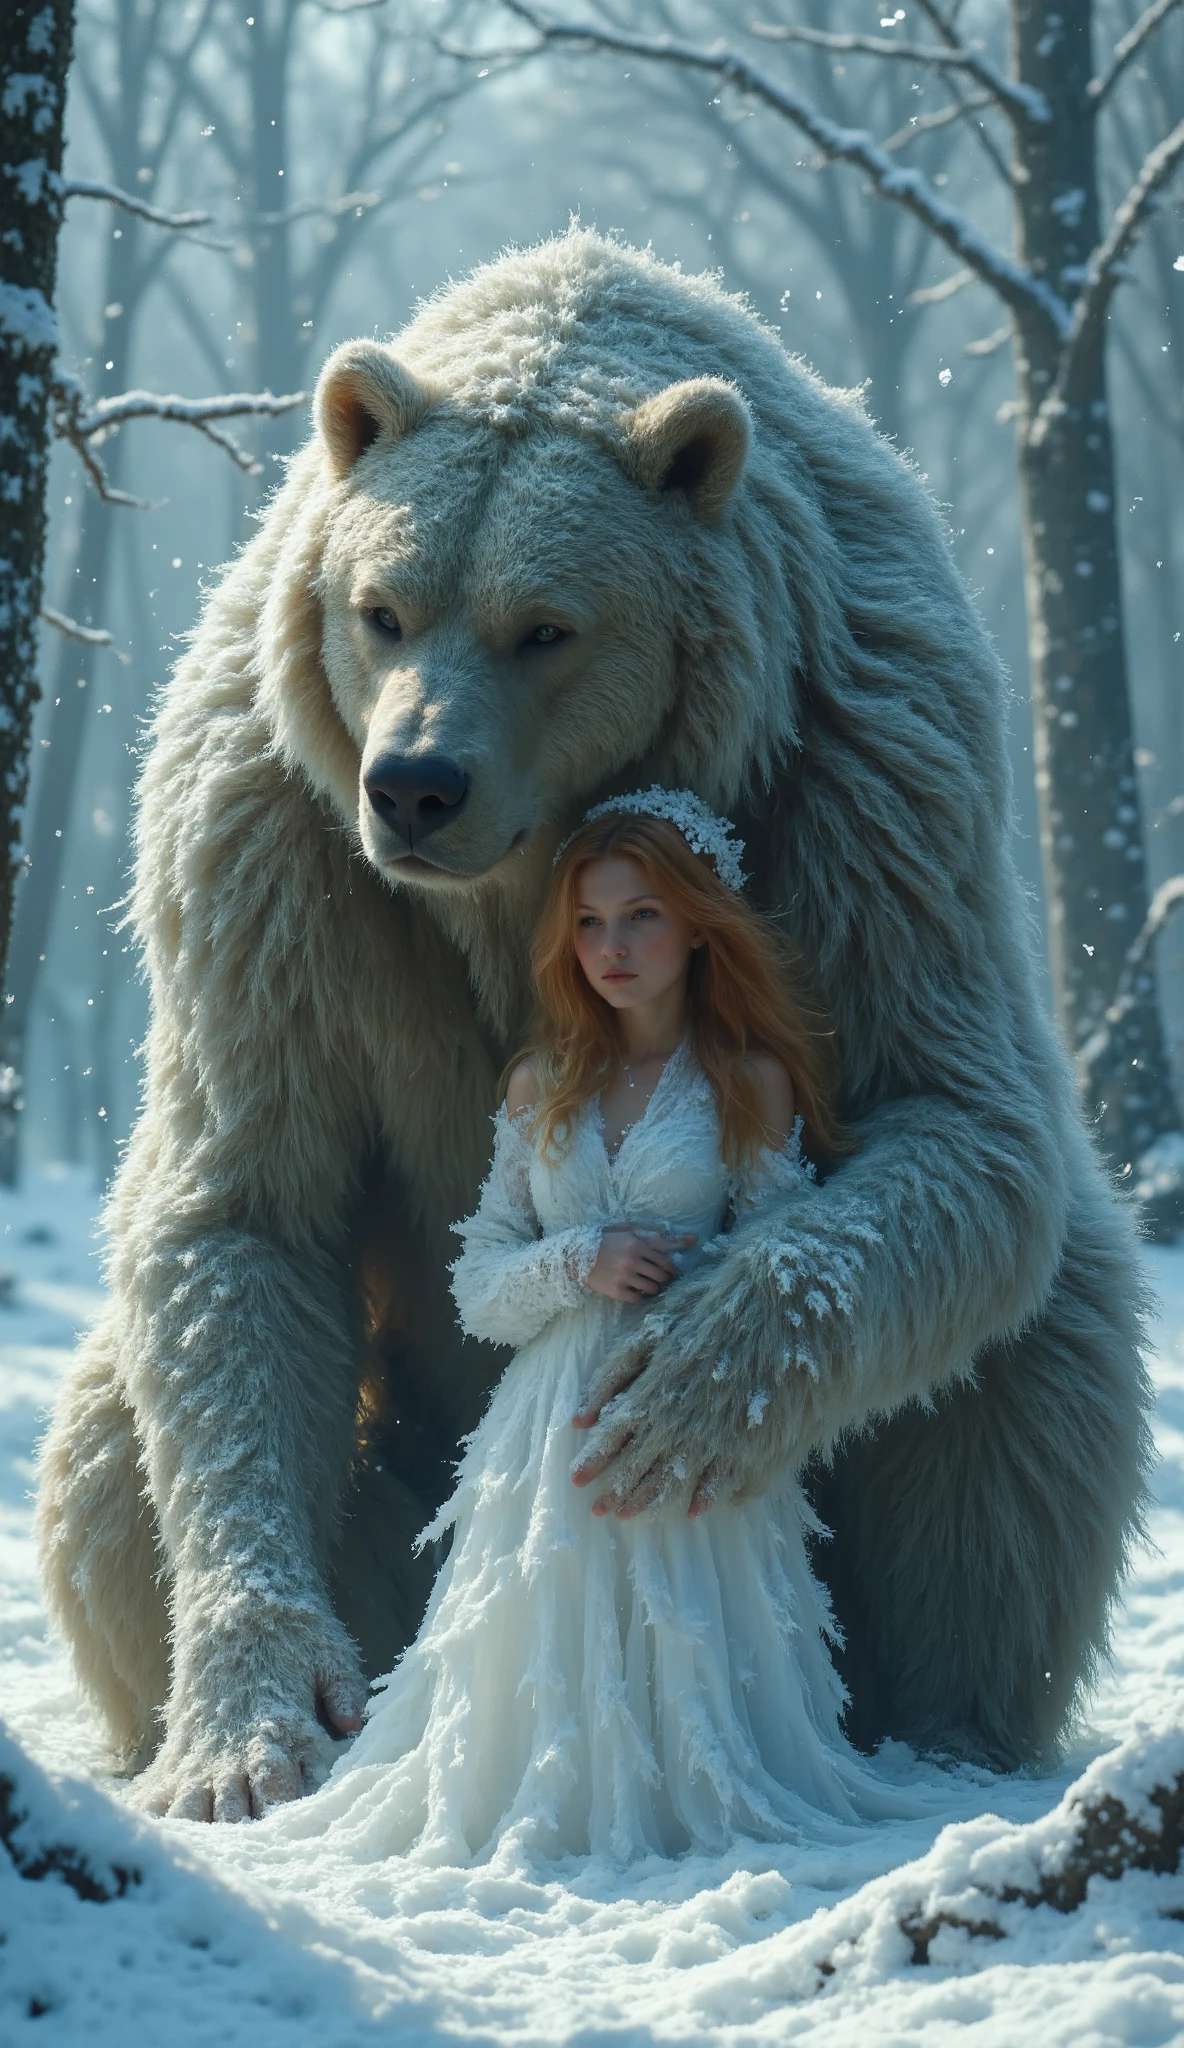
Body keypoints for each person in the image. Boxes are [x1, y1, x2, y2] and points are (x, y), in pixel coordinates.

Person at [278, 789, 941, 1866]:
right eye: (588, 921)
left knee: (679, 1643)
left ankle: (691, 1803)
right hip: (547, 1420)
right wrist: (578, 1258)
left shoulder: (749, 1085)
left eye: (638, 915)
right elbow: (477, 1287)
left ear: (694, 924)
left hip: (677, 1401)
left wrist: (694, 1301)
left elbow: (774, 1271)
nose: (611, 946)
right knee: (542, 1649)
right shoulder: (540, 1084)